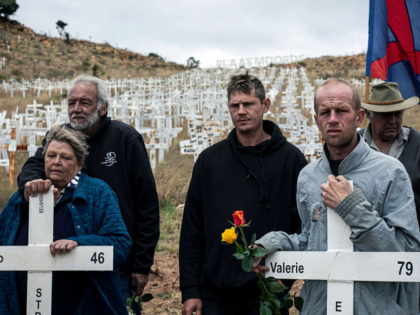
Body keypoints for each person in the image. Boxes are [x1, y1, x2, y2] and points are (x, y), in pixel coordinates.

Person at [252, 78, 420, 315]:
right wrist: (274, 244)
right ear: (316, 120)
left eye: (341, 111)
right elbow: (313, 242)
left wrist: (352, 209)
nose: (332, 119)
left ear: (359, 117)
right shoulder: (308, 177)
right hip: (321, 307)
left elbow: (408, 252)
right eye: (325, 113)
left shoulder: (390, 172)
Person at [17, 74, 159, 314]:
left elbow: (146, 204)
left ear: (102, 107)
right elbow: (35, 164)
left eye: (85, 102)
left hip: (116, 261)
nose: (76, 109)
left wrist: (142, 264)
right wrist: (32, 182)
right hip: (62, 258)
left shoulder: (125, 139)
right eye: (72, 103)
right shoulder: (60, 136)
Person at [179, 72, 308, 315]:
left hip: (268, 289)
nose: (241, 111)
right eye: (234, 105)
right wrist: (190, 289)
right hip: (214, 292)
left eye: (248, 104)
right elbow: (192, 230)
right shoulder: (209, 160)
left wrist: (286, 279)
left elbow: (301, 227)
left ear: (265, 105)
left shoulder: (291, 160)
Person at [0, 124, 131, 314]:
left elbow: (119, 244)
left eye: (66, 157)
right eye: (51, 155)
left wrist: (78, 244)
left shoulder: (99, 194)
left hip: (82, 306)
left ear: (80, 162)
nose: (56, 162)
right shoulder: (23, 197)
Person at [359, 82, 420, 225]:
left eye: (397, 114)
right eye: (385, 115)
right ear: (369, 115)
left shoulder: (417, 145)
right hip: (365, 240)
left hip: (412, 241)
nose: (392, 120)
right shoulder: (355, 146)